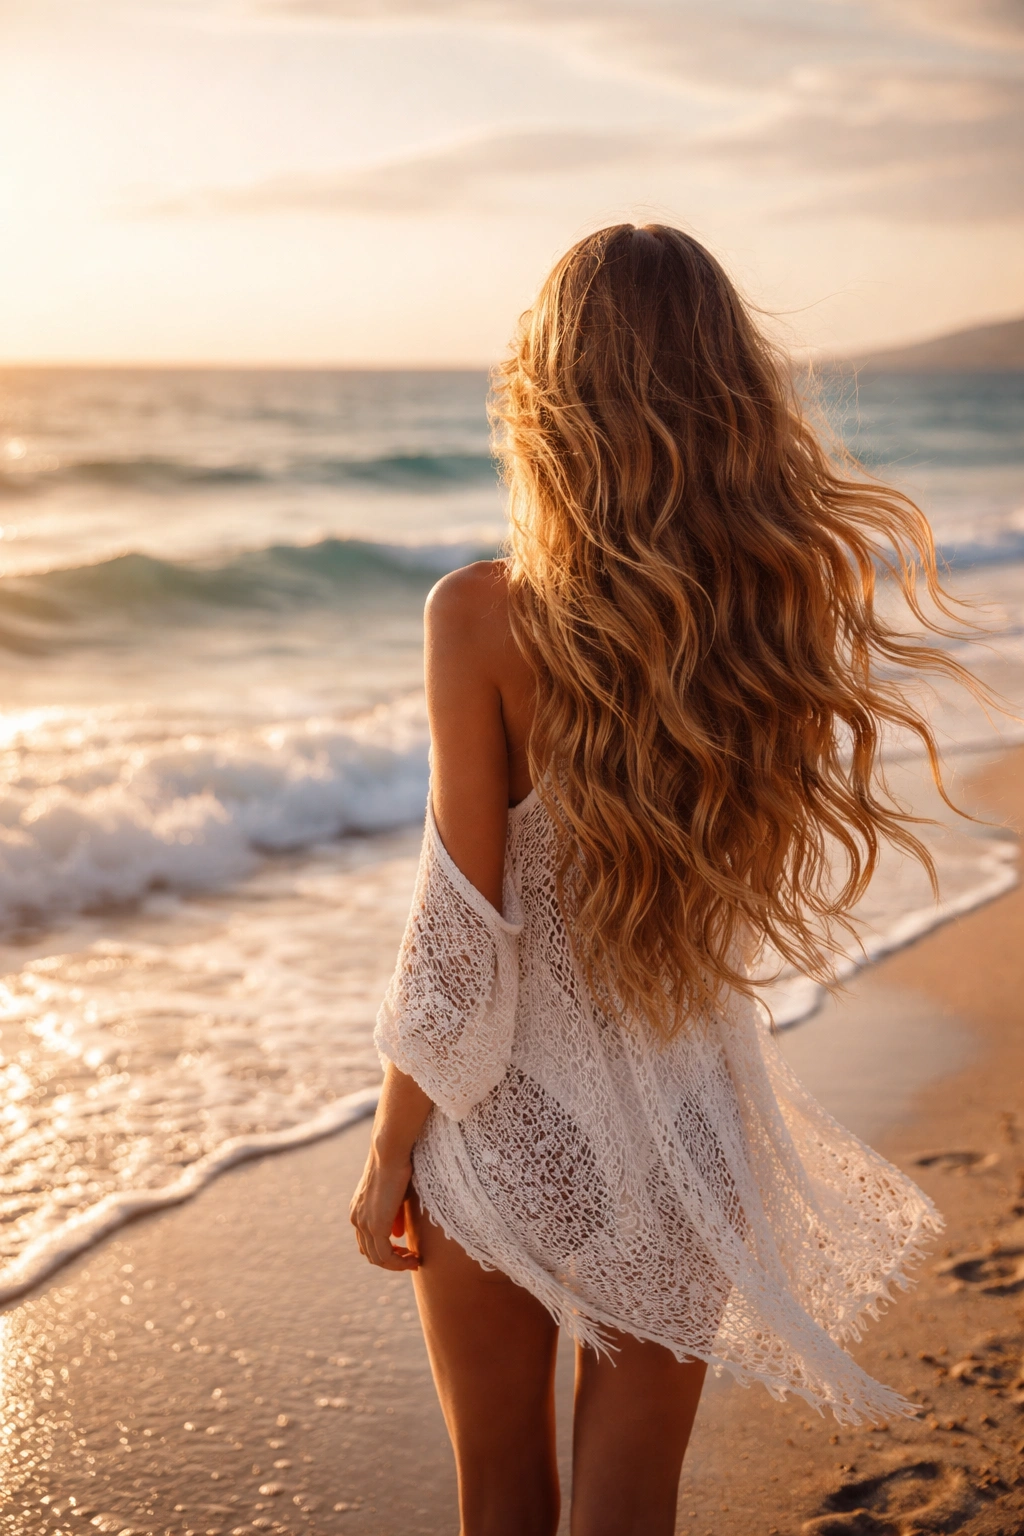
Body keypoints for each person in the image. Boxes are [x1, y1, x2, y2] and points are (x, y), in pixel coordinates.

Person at [349, 224, 975, 1536]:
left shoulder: (480, 616)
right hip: (689, 1133)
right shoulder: (772, 618)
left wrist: (392, 1142)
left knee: (500, 1498)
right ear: (732, 396)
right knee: (631, 1507)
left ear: (547, 395)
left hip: (510, 1128)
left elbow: (462, 933)